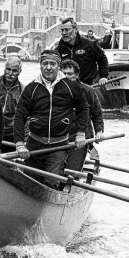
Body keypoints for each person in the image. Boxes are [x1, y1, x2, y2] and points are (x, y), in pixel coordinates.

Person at [13, 49, 89, 189]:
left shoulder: (70, 86)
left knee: (51, 182)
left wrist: (80, 133)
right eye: (45, 63)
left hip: (59, 145)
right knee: (31, 183)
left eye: (52, 64)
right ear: (40, 65)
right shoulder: (31, 88)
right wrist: (19, 143)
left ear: (58, 65)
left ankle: (50, 205)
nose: (48, 67)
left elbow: (83, 109)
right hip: (34, 144)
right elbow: (20, 116)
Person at [59, 59, 107, 172]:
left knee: (72, 171)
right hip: (59, 138)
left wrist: (99, 132)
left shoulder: (89, 91)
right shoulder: (53, 91)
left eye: (69, 74)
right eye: (63, 74)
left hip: (80, 139)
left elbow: (97, 114)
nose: (66, 77)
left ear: (76, 75)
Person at [55, 17, 109, 86]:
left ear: (75, 29)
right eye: (62, 30)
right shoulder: (58, 50)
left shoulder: (90, 44)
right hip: (67, 87)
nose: (64, 33)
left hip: (87, 85)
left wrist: (103, 76)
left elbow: (102, 58)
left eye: (67, 30)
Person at [0, 55, 24, 144]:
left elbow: (25, 116)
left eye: (14, 70)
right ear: (4, 69)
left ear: (20, 72)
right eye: (8, 69)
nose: (10, 73)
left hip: (10, 133)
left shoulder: (23, 90)